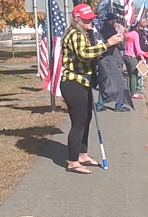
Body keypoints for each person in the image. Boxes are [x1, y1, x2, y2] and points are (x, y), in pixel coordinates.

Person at [60, 3, 123, 174]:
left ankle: (82, 153)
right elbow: (84, 53)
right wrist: (107, 43)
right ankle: (73, 161)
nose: (90, 23)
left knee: (86, 119)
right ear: (77, 19)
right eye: (87, 20)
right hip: (73, 82)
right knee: (79, 121)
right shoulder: (74, 33)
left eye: (91, 19)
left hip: (84, 82)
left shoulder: (85, 33)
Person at [95, 13, 131, 113]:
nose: (116, 22)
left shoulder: (101, 30)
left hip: (103, 59)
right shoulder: (111, 31)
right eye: (115, 20)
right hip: (111, 60)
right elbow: (120, 45)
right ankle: (119, 105)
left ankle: (100, 104)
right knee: (118, 83)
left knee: (104, 83)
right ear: (111, 21)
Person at [124, 24, 145, 99]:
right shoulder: (135, 34)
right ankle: (133, 93)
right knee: (134, 75)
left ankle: (129, 91)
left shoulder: (127, 34)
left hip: (126, 56)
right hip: (132, 56)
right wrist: (142, 58)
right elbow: (137, 47)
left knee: (129, 75)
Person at [136, 18, 148, 94]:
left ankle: (141, 86)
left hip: (146, 55)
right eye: (144, 22)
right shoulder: (138, 33)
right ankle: (140, 87)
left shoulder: (144, 32)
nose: (146, 23)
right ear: (140, 23)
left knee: (143, 72)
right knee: (140, 72)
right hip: (140, 55)